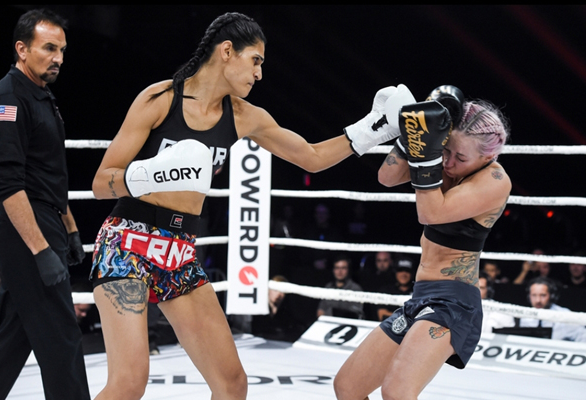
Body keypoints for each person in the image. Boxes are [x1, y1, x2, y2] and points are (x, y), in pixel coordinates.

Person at [88, 11, 415, 400]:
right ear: (227, 51)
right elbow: (100, 183)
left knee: (232, 385)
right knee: (128, 383)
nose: (259, 74)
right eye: (255, 60)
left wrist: (375, 127)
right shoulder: (160, 100)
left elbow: (311, 157)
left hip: (179, 252)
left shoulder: (245, 117)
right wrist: (151, 175)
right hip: (126, 244)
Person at [334, 85, 512, 400]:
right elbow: (387, 176)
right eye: (446, 150)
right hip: (421, 296)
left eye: (460, 157)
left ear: (488, 157)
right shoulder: (445, 162)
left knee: (397, 392)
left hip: (455, 304)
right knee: (348, 387)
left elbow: (430, 213)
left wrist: (426, 151)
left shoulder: (494, 181)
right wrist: (413, 136)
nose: (449, 162)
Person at [0, 9, 90, 400]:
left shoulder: (41, 94)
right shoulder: (9, 97)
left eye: (62, 50)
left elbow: (49, 174)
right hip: (26, 229)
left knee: (12, 336)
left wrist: (70, 229)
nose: (58, 58)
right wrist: (41, 250)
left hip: (45, 223)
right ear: (22, 49)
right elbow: (7, 184)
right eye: (49, 48)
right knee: (62, 338)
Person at [517, 277, 586, 343]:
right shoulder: (525, 315)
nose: (538, 300)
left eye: (543, 295)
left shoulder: (564, 315)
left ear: (552, 296)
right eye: (534, 295)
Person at [317, 254, 365, 319]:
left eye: (343, 268)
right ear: (333, 270)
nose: (340, 271)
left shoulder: (355, 289)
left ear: (348, 270)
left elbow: (356, 313)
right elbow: (321, 310)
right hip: (328, 323)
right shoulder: (328, 287)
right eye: (337, 268)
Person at [375, 254, 415, 322]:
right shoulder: (386, 290)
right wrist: (408, 318)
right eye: (400, 270)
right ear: (395, 272)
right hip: (389, 327)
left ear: (412, 273)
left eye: (407, 270)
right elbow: (382, 315)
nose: (403, 274)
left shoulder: (418, 292)